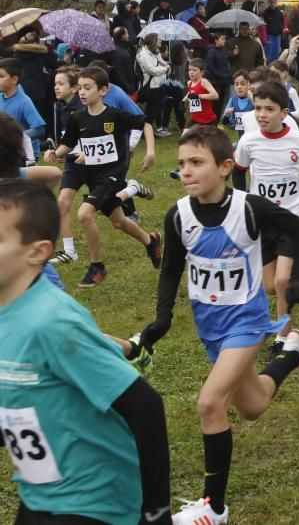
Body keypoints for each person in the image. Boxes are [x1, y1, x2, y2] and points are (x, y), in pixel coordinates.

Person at [133, 125, 299, 525]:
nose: (186, 171)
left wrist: (294, 280)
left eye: (196, 162)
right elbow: (170, 270)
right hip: (211, 324)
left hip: (247, 319)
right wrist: (161, 320)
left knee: (210, 403)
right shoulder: (179, 215)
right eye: (182, 164)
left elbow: (295, 227)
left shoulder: (249, 208)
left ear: (225, 167)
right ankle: (292, 354)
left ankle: (214, 508)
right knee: (253, 404)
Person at [0, 178, 172, 525]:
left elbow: (144, 405)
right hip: (41, 493)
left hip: (94, 503)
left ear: (38, 251)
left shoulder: (51, 321)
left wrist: (157, 511)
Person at [233, 80, 299, 348]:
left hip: (294, 217)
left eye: (269, 109)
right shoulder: (248, 141)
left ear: (284, 113)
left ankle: (283, 337)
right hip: (263, 220)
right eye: (258, 109)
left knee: (283, 282)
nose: (262, 115)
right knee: (269, 287)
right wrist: (242, 203)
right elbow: (238, 172)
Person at [43, 67, 160, 287]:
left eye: (88, 88)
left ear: (103, 90)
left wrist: (151, 151)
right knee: (118, 221)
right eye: (80, 88)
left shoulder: (114, 115)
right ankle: (151, 241)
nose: (82, 93)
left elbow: (145, 123)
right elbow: (68, 142)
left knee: (85, 213)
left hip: (112, 174)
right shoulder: (78, 117)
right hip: (92, 175)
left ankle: (97, 266)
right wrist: (55, 153)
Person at [0, 58, 47, 156]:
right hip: (6, 151)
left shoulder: (24, 101)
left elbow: (39, 130)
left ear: (14, 79)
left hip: (24, 154)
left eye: (1, 76)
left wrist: (14, 137)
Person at [184, 59, 218, 130]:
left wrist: (199, 96)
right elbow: (190, 93)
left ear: (202, 72)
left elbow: (215, 95)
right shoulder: (189, 83)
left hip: (208, 120)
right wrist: (183, 101)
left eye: (194, 70)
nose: (191, 72)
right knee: (185, 137)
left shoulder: (204, 82)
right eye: (189, 70)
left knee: (207, 141)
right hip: (195, 119)